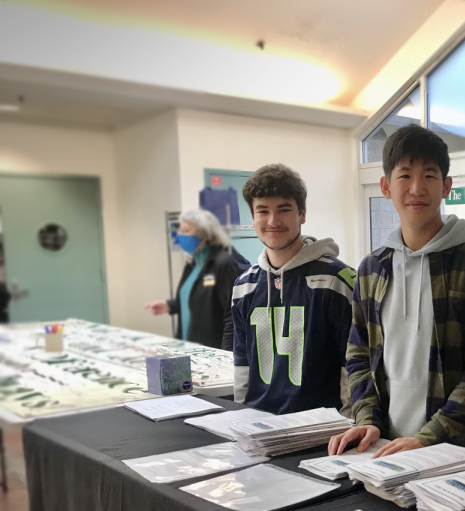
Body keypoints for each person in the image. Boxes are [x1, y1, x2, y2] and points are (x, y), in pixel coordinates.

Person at [328, 124, 465, 460]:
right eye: (404, 176)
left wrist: (430, 438)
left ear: (446, 187)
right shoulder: (373, 268)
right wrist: (367, 418)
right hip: (382, 448)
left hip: (455, 451)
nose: (417, 188)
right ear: (386, 186)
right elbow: (358, 354)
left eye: (429, 175)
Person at [231, 164, 356, 415]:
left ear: (302, 214)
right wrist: (239, 418)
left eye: (284, 210)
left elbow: (353, 366)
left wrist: (347, 425)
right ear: (253, 217)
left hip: (322, 430)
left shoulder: (337, 281)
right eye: (262, 211)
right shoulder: (244, 286)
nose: (273, 221)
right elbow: (242, 364)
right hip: (259, 426)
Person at [145, 209, 248, 350]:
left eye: (186, 231)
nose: (181, 236)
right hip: (188, 346)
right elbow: (198, 297)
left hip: (213, 351)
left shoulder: (223, 263)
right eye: (180, 231)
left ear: (204, 234)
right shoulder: (193, 263)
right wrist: (171, 305)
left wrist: (226, 355)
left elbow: (232, 314)